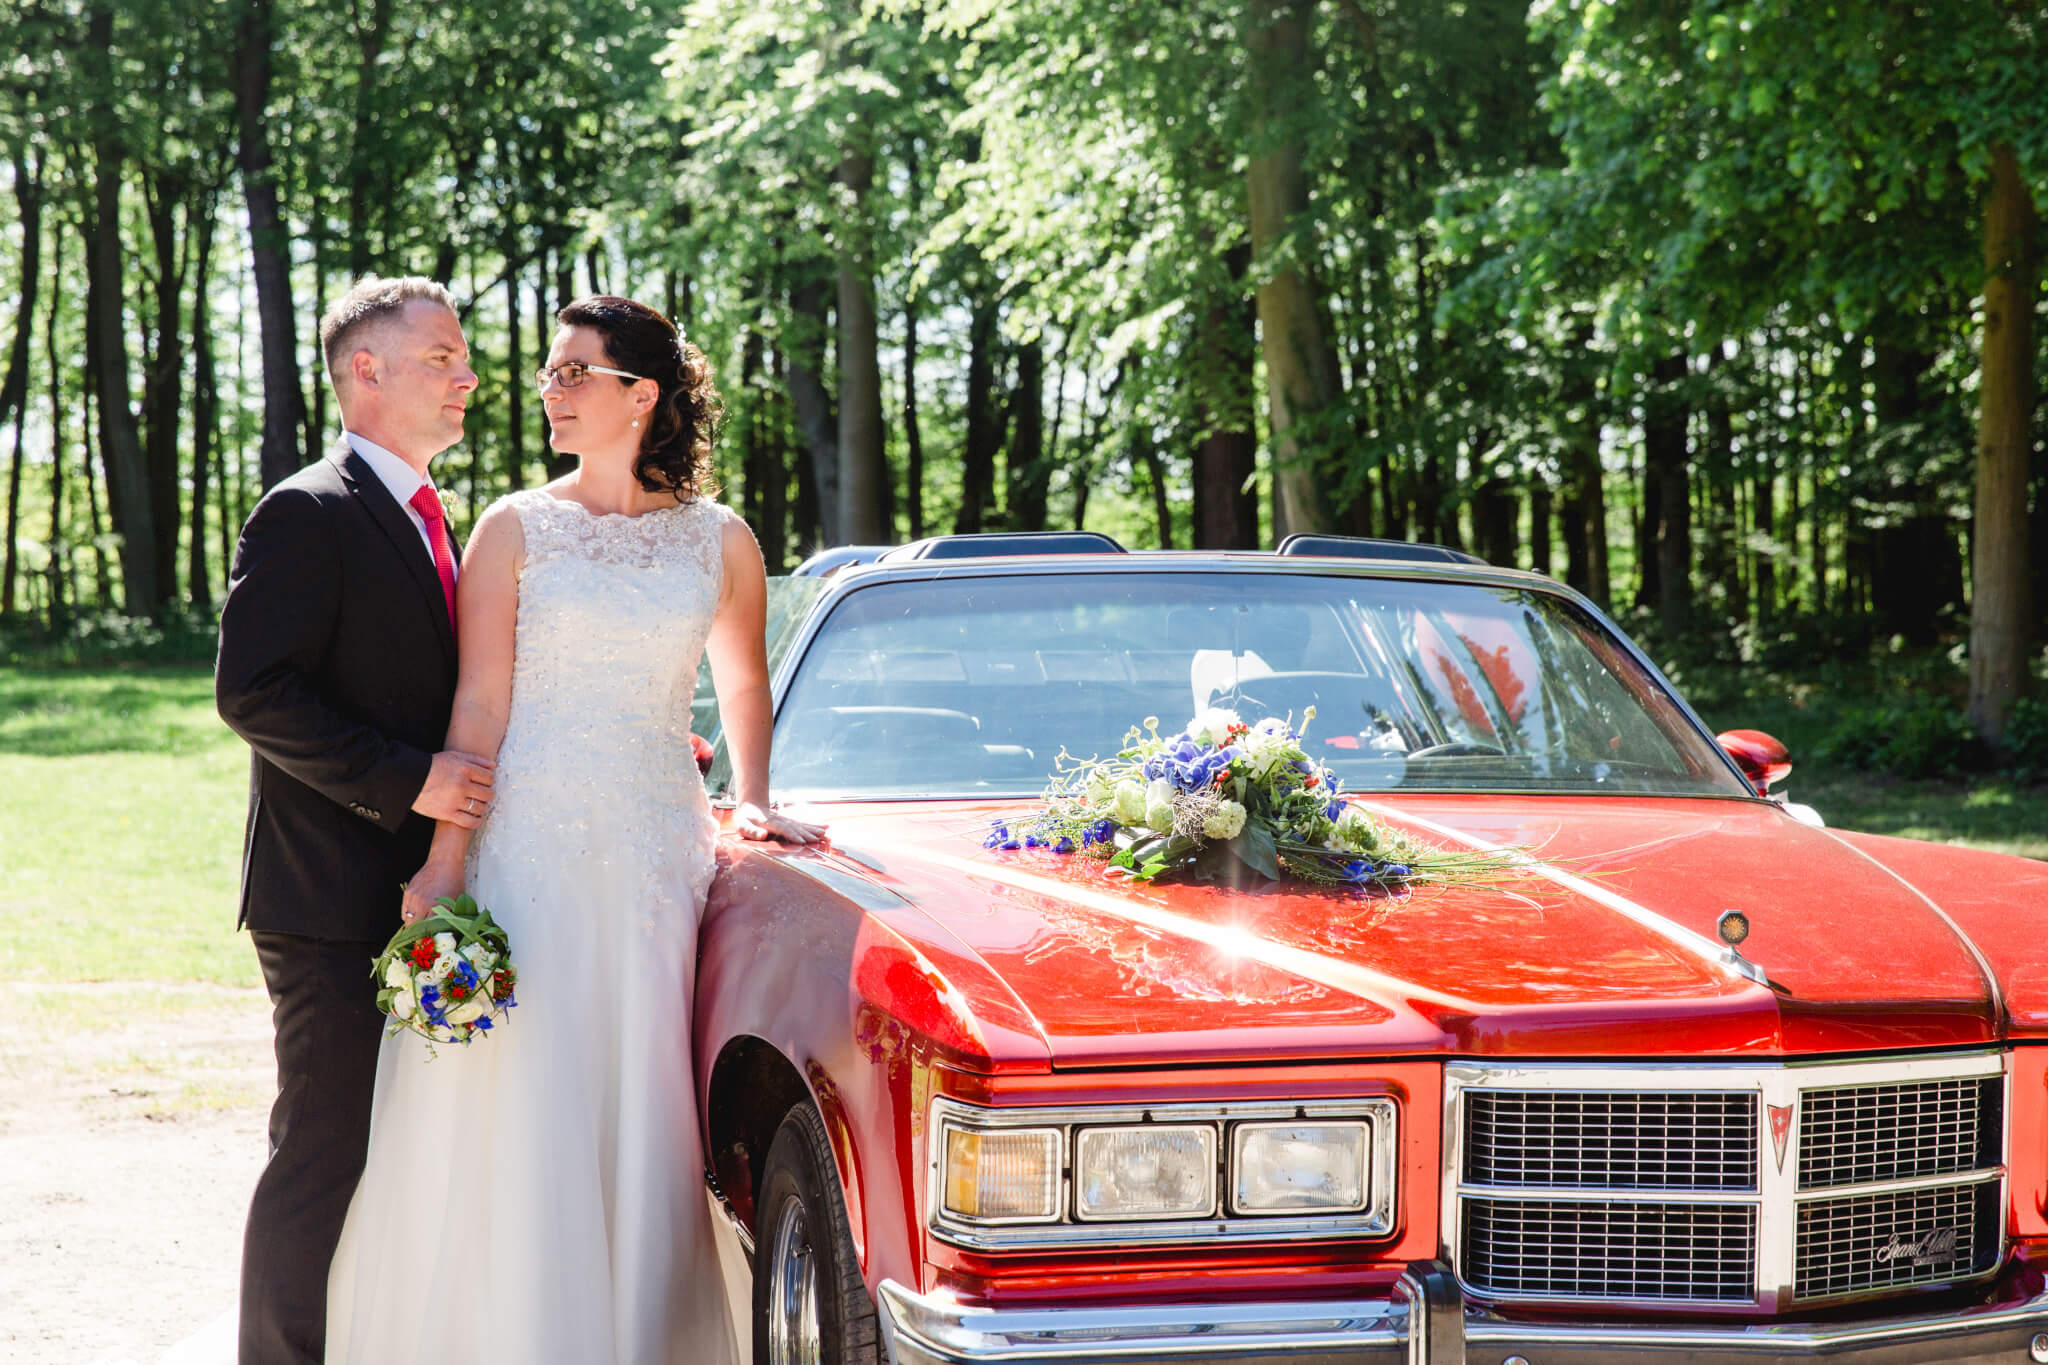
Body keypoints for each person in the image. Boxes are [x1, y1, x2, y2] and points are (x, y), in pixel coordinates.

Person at [325, 295, 822, 1364]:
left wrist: (756, 799)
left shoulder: (719, 538)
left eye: (572, 374)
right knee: (520, 1092)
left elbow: (745, 685)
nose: (549, 390)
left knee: (641, 1094)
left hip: (655, 854)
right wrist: (446, 858)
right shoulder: (513, 526)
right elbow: (479, 712)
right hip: (527, 850)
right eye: (549, 373)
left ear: (639, 397)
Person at [215, 275, 497, 1365]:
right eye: (441, 357)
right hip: (327, 897)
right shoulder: (307, 509)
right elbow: (254, 693)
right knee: (323, 1150)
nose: (466, 376)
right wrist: (406, 781)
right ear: (364, 371)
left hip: (420, 886)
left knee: (412, 1148)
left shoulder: (432, 517)